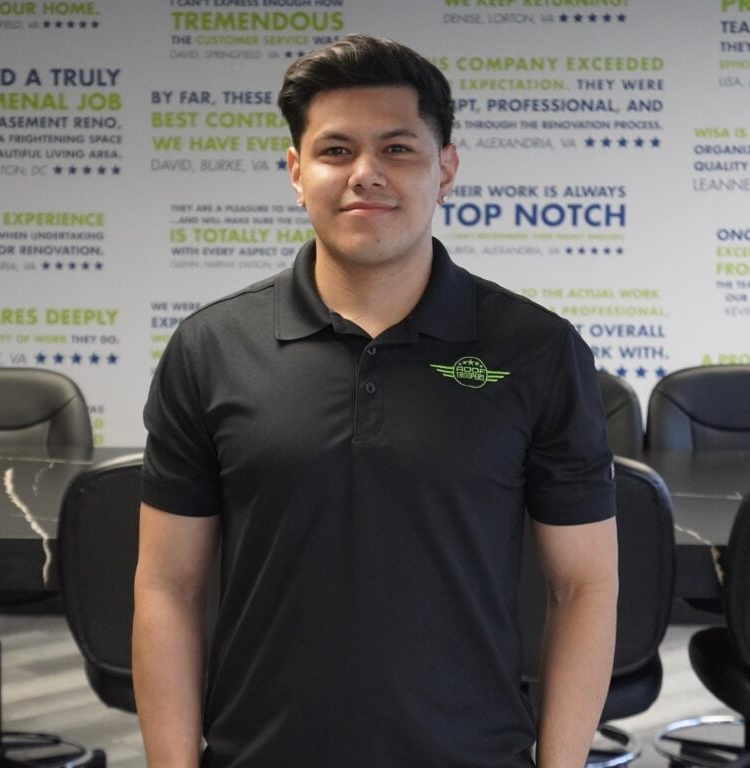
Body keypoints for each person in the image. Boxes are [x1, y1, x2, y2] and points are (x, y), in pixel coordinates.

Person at [133, 34, 618, 768]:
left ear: (445, 168)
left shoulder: (536, 351)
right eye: (335, 152)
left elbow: (583, 586)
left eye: (397, 149)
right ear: (296, 172)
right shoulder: (210, 348)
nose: (365, 174)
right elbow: (169, 586)